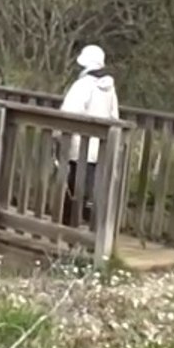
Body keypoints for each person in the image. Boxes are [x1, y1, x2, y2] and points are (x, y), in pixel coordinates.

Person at [58, 44, 120, 226]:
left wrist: (57, 135)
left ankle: (69, 224)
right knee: (90, 187)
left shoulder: (83, 85)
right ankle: (87, 221)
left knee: (74, 186)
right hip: (99, 148)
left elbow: (68, 112)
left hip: (78, 145)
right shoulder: (110, 89)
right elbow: (114, 116)